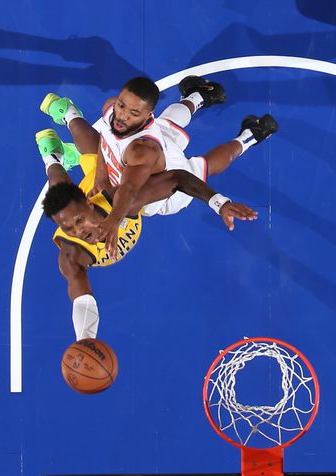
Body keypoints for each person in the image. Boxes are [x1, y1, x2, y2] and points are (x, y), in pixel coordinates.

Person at [35, 76, 278, 340]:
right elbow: (102, 141)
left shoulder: (138, 171)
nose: (77, 231)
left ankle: (250, 135)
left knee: (201, 166)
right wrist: (85, 340)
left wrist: (219, 203)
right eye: (121, 107)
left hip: (156, 176)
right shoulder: (72, 250)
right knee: (83, 167)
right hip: (125, 173)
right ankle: (56, 144)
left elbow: (170, 181)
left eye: (133, 111)